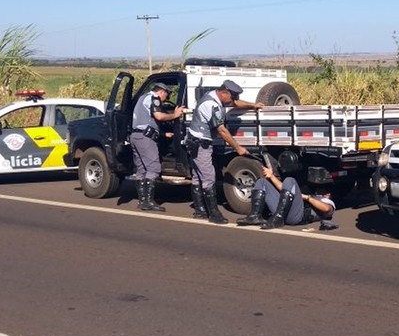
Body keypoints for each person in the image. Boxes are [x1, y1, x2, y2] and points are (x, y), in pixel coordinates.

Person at [186, 79, 263, 224]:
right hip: (200, 144)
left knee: (198, 177)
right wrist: (238, 147)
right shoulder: (211, 104)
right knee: (208, 177)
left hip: (198, 142)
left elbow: (235, 103)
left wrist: (253, 105)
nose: (232, 101)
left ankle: (200, 210)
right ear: (224, 93)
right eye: (231, 96)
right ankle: (214, 214)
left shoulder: (214, 96)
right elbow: (222, 130)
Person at [130, 82, 184, 211]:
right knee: (154, 168)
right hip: (145, 138)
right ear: (162, 92)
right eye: (166, 96)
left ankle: (142, 200)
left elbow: (146, 120)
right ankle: (148, 201)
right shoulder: (154, 98)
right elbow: (159, 116)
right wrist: (175, 115)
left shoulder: (142, 98)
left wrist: (163, 133)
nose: (165, 100)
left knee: (142, 169)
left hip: (136, 136)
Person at [236, 165, 336, 229]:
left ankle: (278, 218)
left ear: (328, 195)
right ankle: (255, 216)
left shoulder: (328, 202)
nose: (320, 191)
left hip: (297, 217)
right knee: (263, 182)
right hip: (284, 211)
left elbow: (326, 209)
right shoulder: (315, 196)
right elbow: (283, 188)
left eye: (324, 190)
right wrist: (271, 176)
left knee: (290, 180)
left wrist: (307, 198)